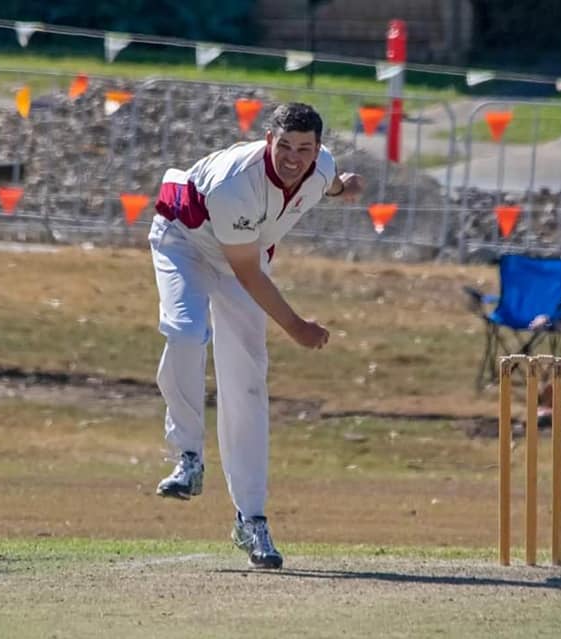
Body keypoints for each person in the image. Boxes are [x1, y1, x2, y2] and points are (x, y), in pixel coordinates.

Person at [148, 103, 365, 569]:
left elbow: (327, 181)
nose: (292, 158)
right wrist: (297, 327)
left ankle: (251, 519)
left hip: (240, 257)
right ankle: (188, 456)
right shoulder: (236, 183)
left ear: (318, 149)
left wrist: (342, 188)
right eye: (283, 146)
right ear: (268, 140)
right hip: (184, 239)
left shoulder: (320, 167)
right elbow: (248, 274)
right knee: (186, 332)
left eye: (304, 149)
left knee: (246, 383)